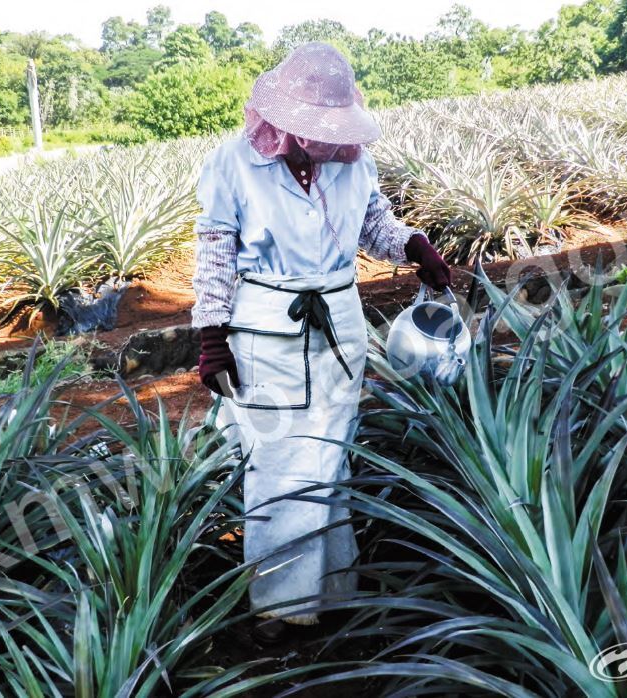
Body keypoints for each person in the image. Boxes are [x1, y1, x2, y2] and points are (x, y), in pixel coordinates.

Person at [191, 42, 452, 645]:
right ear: (282, 117)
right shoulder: (233, 162)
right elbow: (215, 251)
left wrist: (413, 246)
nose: (321, 140)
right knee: (278, 462)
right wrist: (211, 336)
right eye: (310, 127)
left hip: (339, 318)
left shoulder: (351, 158)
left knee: (329, 456)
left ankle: (332, 591)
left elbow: (374, 222)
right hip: (264, 323)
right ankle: (281, 607)